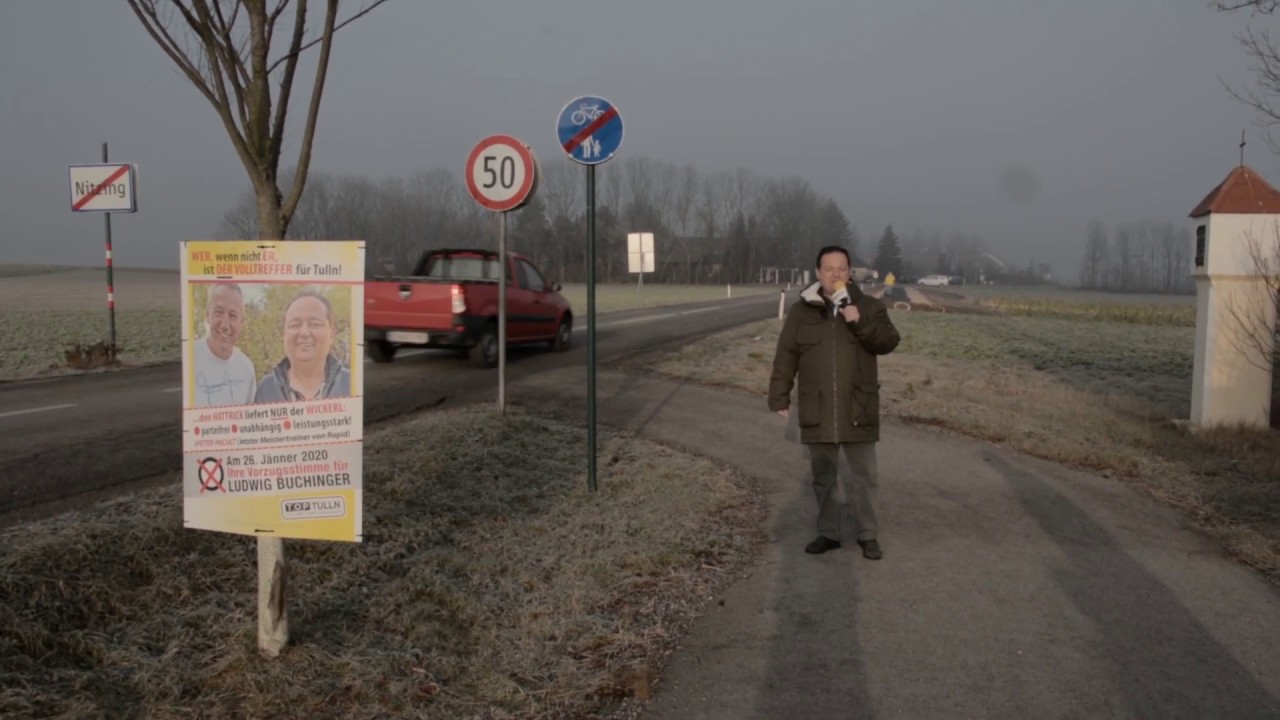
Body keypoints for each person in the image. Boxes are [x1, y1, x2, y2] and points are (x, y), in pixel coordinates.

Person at [769, 246, 900, 559]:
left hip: (858, 406)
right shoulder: (802, 311)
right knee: (823, 477)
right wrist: (778, 394)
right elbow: (787, 354)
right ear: (818, 273)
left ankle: (868, 534)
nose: (836, 274)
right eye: (829, 269)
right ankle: (828, 532)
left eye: (842, 268)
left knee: (865, 477)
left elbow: (888, 342)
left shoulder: (868, 306)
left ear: (850, 271)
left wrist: (858, 321)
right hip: (818, 407)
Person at [254, 290, 351, 402]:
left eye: (314, 324)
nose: (304, 332)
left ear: (332, 334)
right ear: (283, 334)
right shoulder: (266, 389)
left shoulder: (352, 384)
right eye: (295, 325)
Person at [193, 283, 257, 407]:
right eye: (218, 312)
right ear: (207, 315)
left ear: (241, 323)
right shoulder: (187, 357)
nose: (224, 325)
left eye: (233, 316)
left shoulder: (247, 368)